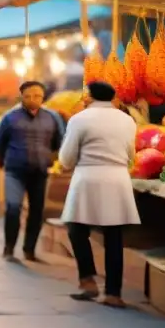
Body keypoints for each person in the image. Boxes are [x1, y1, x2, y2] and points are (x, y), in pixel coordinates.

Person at [58, 81, 140, 308]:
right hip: (117, 179)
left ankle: (87, 280)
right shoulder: (127, 120)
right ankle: (114, 293)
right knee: (114, 237)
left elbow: (66, 159)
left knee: (76, 229)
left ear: (90, 96)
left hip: (88, 178)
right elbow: (132, 155)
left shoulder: (79, 119)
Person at [0, 80, 64, 262]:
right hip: (14, 171)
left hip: (40, 172)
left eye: (38, 96)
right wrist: (1, 162)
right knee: (13, 208)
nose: (33, 99)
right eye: (28, 96)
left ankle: (29, 249)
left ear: (43, 97)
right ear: (21, 97)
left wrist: (53, 160)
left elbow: (60, 144)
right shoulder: (10, 118)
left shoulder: (53, 118)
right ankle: (9, 248)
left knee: (37, 211)